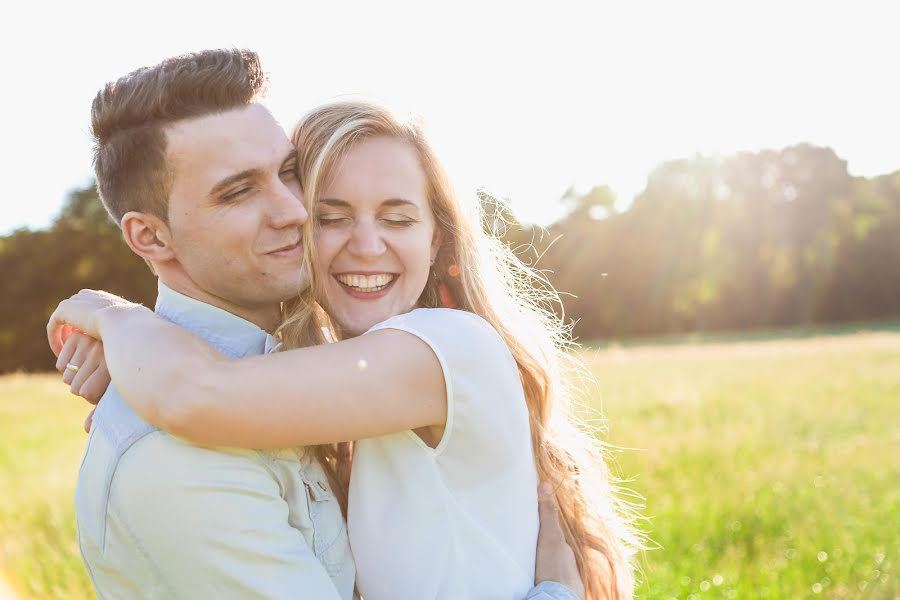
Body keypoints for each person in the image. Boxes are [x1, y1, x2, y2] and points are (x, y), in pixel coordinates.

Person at [52, 96, 640, 599]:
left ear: (438, 238)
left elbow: (199, 392)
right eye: (330, 218)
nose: (366, 245)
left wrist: (115, 317)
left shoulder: (444, 346)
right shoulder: (343, 391)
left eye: (398, 219)